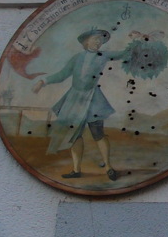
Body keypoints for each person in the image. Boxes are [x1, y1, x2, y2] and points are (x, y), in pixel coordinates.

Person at [33, 29, 125, 181]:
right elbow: (62, 75)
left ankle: (108, 167)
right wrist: (43, 81)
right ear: (86, 41)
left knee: (98, 133)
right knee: (74, 135)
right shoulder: (77, 58)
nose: (98, 42)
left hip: (93, 100)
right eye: (95, 39)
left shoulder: (103, 56)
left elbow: (123, 54)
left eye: (101, 40)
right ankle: (76, 170)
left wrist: (140, 43)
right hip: (74, 99)